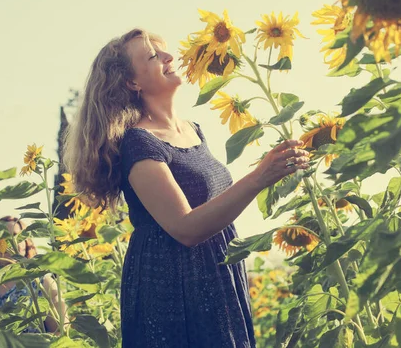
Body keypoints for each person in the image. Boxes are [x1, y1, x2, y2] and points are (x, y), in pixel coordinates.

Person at [62, 28, 310, 348]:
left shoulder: (194, 130)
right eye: (154, 56)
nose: (169, 57)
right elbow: (185, 228)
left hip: (217, 274)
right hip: (173, 286)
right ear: (132, 82)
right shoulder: (138, 143)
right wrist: (260, 177)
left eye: (165, 51)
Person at [0, 216, 68, 334]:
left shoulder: (42, 284)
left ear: (26, 242)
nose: (9, 242)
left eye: (15, 235)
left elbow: (60, 333)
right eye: (2, 237)